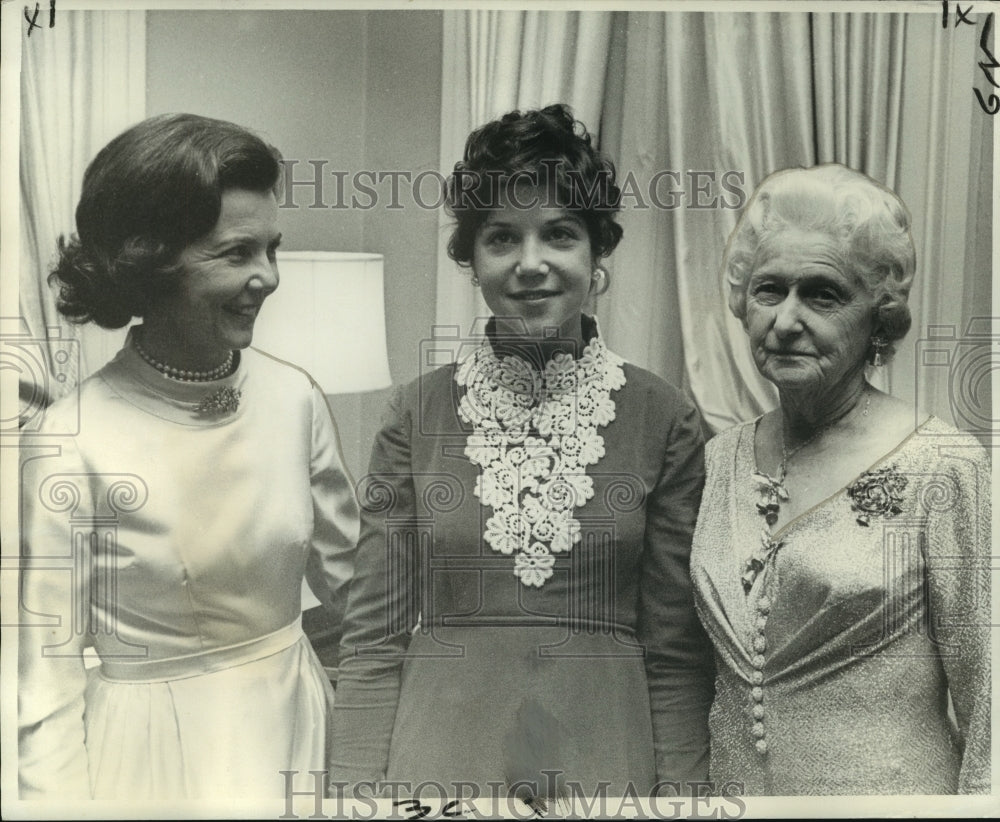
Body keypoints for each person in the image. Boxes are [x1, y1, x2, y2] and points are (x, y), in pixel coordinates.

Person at [328, 103, 714, 805]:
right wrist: (354, 797)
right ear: (471, 262)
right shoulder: (414, 413)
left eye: (559, 235)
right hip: (440, 760)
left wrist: (683, 800)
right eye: (502, 238)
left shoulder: (665, 416)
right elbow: (372, 641)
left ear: (597, 255)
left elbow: (676, 655)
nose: (530, 264)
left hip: (605, 760)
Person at [18, 113, 360, 800]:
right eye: (237, 254)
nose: (268, 276)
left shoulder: (295, 398)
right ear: (150, 261)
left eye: (273, 250)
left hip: (298, 731)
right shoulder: (68, 443)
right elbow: (41, 694)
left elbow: (359, 595)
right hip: (155, 762)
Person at [691, 163, 991, 795]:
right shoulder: (718, 460)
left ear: (878, 320)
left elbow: (992, 692)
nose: (787, 320)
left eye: (822, 295)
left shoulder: (941, 465)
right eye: (769, 290)